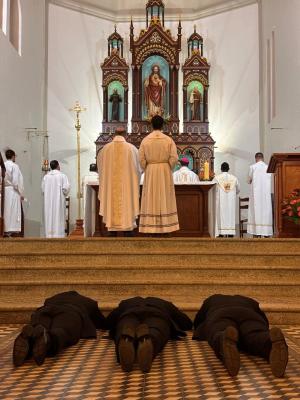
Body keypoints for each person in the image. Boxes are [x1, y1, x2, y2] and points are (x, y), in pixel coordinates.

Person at [193, 294, 288, 378]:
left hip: (221, 314)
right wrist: (264, 330)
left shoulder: (212, 299)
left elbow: (198, 319)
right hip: (249, 314)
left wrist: (201, 328)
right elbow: (262, 316)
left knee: (218, 331)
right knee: (255, 335)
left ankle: (223, 340)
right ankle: (269, 342)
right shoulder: (248, 300)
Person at [13, 291, 107, 367]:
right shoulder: (89, 302)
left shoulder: (51, 299)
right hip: (71, 311)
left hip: (45, 309)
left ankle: (30, 337)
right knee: (62, 330)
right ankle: (49, 339)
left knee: (38, 326)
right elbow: (101, 322)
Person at [106, 296, 192, 373]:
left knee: (125, 327)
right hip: (157, 313)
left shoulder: (126, 302)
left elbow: (108, 321)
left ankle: (126, 338)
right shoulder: (164, 303)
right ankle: (147, 339)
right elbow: (186, 323)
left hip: (129, 313)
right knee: (157, 330)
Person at [139, 115, 179, 234]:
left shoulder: (145, 140)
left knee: (151, 197)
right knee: (165, 197)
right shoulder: (168, 140)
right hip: (164, 170)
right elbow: (174, 158)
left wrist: (147, 167)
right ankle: (166, 228)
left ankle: (150, 228)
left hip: (151, 170)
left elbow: (141, 159)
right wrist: (168, 167)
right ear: (163, 125)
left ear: (151, 125)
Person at [97, 127, 141, 235]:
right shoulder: (132, 149)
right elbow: (140, 169)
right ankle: (128, 229)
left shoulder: (105, 149)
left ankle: (112, 230)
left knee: (111, 201)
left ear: (114, 134)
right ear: (125, 135)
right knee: (128, 200)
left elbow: (100, 168)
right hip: (127, 188)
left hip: (111, 188)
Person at [42, 160, 70, 238]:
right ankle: (58, 236)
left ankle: (49, 235)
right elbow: (66, 189)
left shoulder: (46, 177)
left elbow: (43, 190)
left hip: (48, 203)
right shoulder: (62, 176)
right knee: (58, 217)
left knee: (49, 217)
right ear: (58, 166)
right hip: (58, 202)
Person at [247, 152, 273, 237]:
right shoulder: (268, 167)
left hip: (256, 196)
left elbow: (249, 180)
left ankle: (256, 232)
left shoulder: (253, 167)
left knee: (256, 211)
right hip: (265, 195)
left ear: (256, 158)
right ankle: (266, 233)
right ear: (263, 158)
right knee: (265, 212)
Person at [213, 162, 240, 237]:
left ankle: (221, 233)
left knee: (221, 214)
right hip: (231, 201)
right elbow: (238, 189)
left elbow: (213, 189)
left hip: (221, 201)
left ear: (221, 169)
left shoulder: (217, 178)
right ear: (228, 169)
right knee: (230, 214)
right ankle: (230, 232)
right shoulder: (234, 178)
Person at [3, 149, 24, 237]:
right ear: (12, 156)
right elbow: (15, 181)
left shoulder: (2, 165)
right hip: (13, 191)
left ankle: (5, 229)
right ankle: (11, 230)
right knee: (13, 210)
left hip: (5, 190)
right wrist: (21, 192)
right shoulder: (14, 166)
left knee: (6, 210)